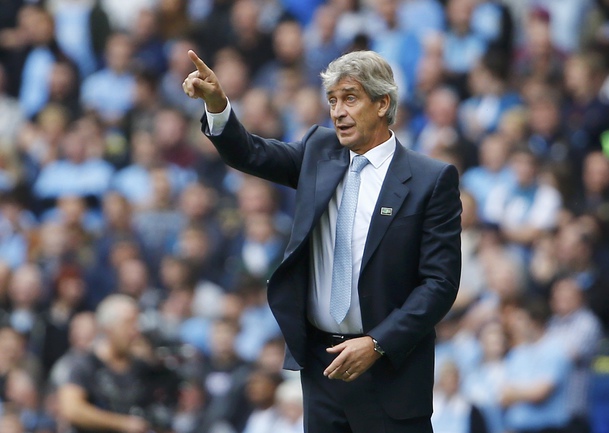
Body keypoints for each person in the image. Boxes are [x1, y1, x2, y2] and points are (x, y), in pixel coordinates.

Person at [183, 49, 462, 432]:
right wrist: (217, 105)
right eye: (332, 101)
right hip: (322, 365)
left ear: (382, 103)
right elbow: (251, 153)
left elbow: (440, 284)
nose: (338, 112)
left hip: (390, 370)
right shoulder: (319, 150)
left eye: (350, 98)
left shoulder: (430, 179)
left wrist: (377, 343)